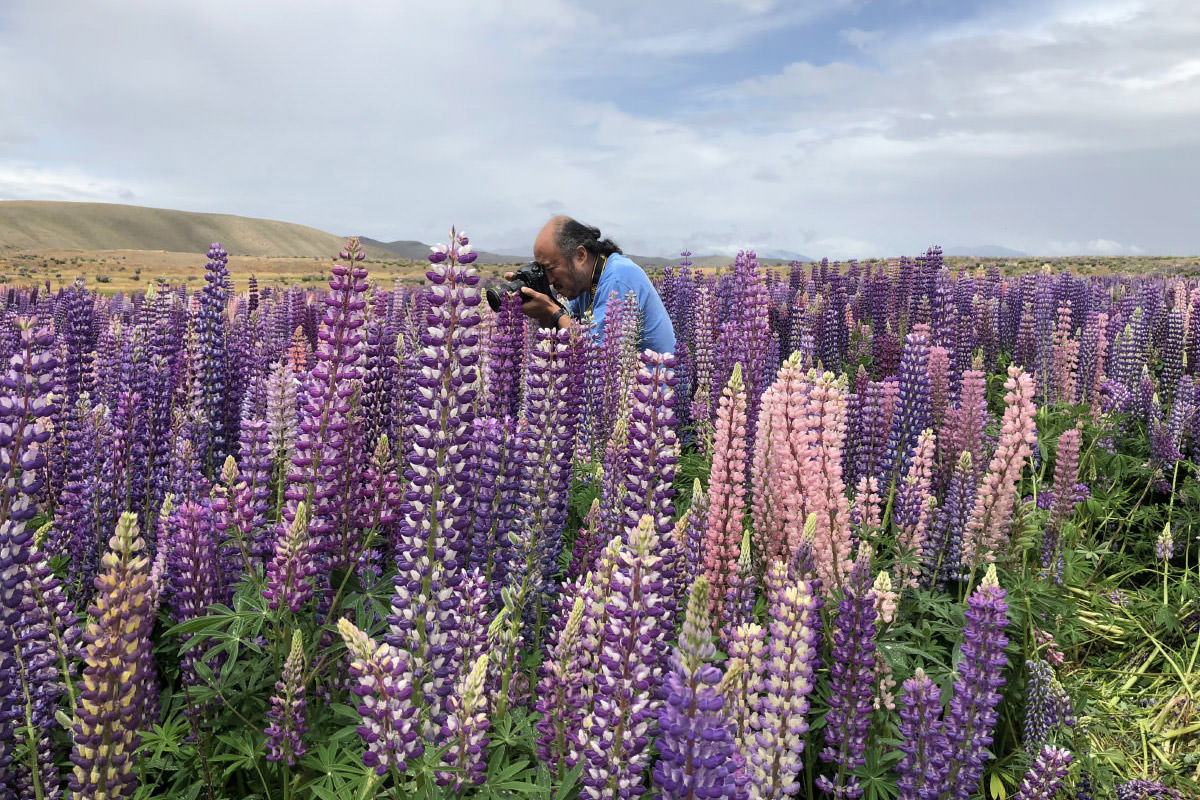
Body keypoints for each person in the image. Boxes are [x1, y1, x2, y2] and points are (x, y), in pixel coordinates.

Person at [513, 216, 676, 354]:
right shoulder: (585, 284)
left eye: (550, 268)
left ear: (580, 255)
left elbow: (596, 356)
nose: (549, 280)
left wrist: (551, 310)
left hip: (656, 387)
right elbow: (564, 331)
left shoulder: (619, 277)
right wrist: (538, 298)